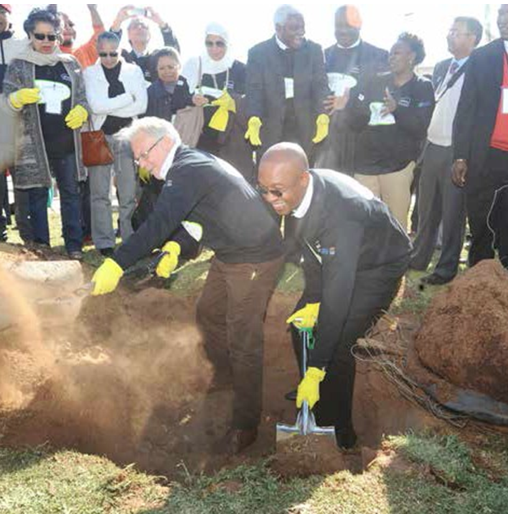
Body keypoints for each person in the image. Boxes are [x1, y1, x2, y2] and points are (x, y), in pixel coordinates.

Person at [91, 117, 284, 455]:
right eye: (137, 159)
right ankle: (225, 381)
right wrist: (178, 247)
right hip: (230, 252)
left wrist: (116, 262)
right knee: (208, 312)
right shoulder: (189, 165)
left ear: (164, 142)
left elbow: (160, 222)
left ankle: (246, 424)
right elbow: (198, 217)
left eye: (142, 154)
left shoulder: (187, 169)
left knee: (243, 336)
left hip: (255, 256)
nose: (141, 164)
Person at [257, 142, 411, 450]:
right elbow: (312, 252)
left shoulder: (341, 215)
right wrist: (312, 299)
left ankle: (339, 433)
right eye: (263, 189)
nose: (270, 199)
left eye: (277, 191)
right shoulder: (301, 192)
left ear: (302, 178)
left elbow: (338, 299)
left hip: (378, 264)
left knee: (340, 341)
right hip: (343, 256)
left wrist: (318, 368)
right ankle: (311, 393)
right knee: (302, 322)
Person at [3, 8, 89, 260]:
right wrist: (16, 99)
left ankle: (74, 245)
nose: (46, 42)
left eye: (51, 37)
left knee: (71, 194)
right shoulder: (19, 65)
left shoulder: (70, 64)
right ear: (30, 34)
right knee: (38, 195)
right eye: (39, 36)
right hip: (34, 144)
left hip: (66, 142)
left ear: (59, 37)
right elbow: (5, 103)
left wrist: (82, 110)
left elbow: (82, 96)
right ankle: (42, 247)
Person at [453, 4, 508, 279]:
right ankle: (478, 282)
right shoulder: (482, 56)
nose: (503, 20)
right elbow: (466, 109)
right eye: (500, 14)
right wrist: (460, 156)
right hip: (484, 157)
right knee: (480, 222)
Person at [411, 17, 482, 285]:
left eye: (456, 32)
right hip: (432, 146)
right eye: (450, 31)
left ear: (473, 37)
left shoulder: (479, 67)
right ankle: (418, 258)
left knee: (453, 213)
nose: (450, 36)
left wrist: (466, 154)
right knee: (426, 209)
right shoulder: (441, 66)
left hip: (457, 150)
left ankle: (446, 268)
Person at [349, 32, 435, 231]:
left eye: (397, 53)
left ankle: (396, 262)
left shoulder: (422, 87)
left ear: (411, 57)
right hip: (365, 166)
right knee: (365, 222)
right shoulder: (375, 82)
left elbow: (420, 127)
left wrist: (397, 109)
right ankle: (368, 262)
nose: (391, 57)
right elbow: (355, 120)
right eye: (390, 53)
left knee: (395, 225)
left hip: (398, 166)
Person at [83, 31, 147, 256]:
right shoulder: (89, 73)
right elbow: (95, 106)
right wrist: (127, 98)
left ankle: (129, 238)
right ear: (98, 51)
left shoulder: (134, 70)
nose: (108, 58)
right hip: (98, 137)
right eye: (103, 54)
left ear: (121, 50)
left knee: (128, 192)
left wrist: (112, 104)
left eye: (113, 53)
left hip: (127, 137)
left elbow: (141, 106)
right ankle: (104, 242)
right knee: (99, 193)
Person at [245, 4, 330, 164]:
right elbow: (254, 90)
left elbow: (321, 85)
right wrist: (253, 117)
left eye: (303, 27)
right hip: (271, 128)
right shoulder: (258, 53)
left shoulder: (314, 50)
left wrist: (323, 114)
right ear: (278, 28)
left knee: (304, 174)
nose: (301, 32)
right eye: (294, 28)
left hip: (305, 128)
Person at [316, 5, 389, 175]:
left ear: (359, 24)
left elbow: (379, 96)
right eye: (338, 25)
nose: (342, 30)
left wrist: (350, 105)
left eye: (348, 25)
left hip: (362, 141)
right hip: (326, 143)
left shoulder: (378, 56)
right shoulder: (321, 57)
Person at [133, 46, 196, 229]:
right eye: (162, 68)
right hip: (157, 154)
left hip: (184, 149)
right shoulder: (151, 93)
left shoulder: (191, 88)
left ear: (179, 66)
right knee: (155, 194)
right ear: (156, 70)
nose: (167, 71)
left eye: (171, 66)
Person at [182, 23, 246, 157]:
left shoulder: (239, 68)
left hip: (229, 135)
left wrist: (231, 101)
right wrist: (192, 99)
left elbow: (248, 101)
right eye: (209, 43)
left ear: (227, 44)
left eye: (219, 44)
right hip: (200, 133)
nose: (214, 48)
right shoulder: (194, 64)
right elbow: (177, 98)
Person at [0, 4, 30, 243]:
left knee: (24, 176)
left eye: (1, 12)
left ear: (9, 16)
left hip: (22, 121)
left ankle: (28, 230)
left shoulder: (23, 44)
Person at [111, 7, 180, 82]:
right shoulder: (122, 57)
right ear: (128, 34)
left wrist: (162, 24)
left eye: (144, 26)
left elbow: (173, 54)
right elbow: (106, 50)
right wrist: (118, 22)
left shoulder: (157, 58)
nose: (140, 28)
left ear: (149, 35)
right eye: (135, 26)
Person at [50, 4, 105, 70]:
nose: (67, 28)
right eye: (61, 25)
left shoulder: (85, 52)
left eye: (71, 25)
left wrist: (92, 9)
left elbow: (101, 34)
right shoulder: (44, 53)